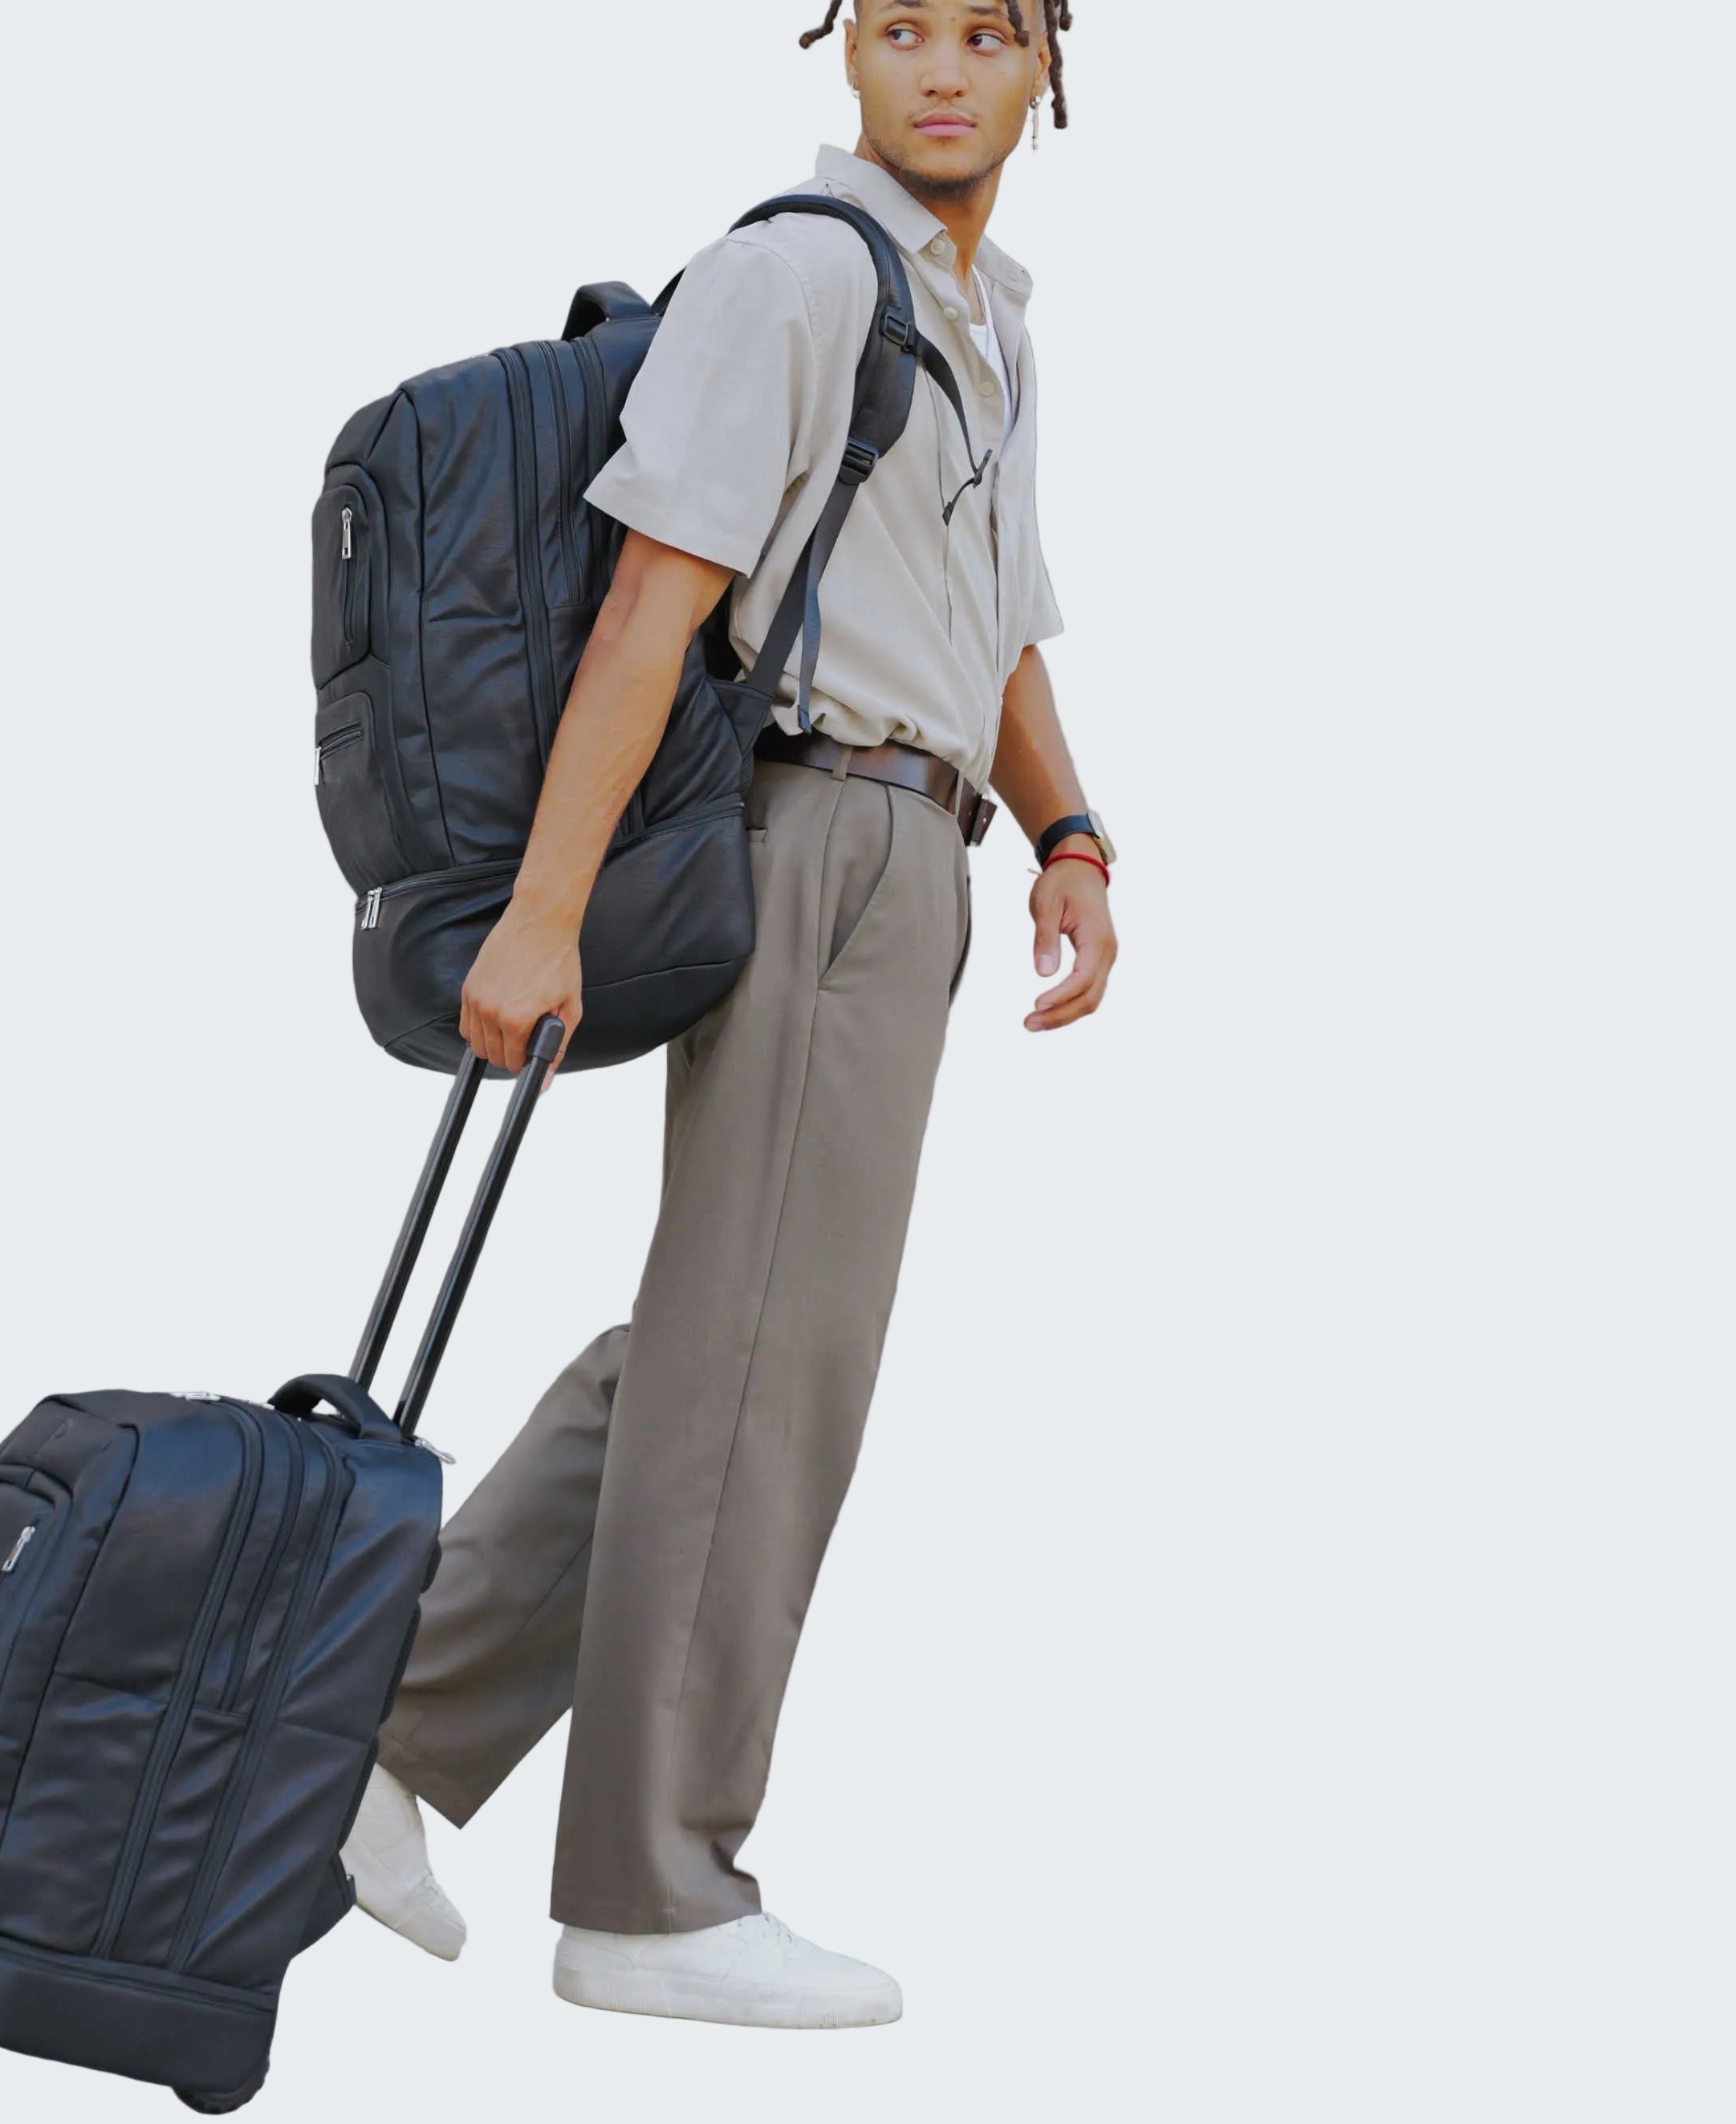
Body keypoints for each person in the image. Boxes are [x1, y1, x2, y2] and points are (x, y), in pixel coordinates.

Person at [344, 0, 1117, 2029]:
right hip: (820, 840)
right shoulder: (795, 276)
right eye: (899, 29)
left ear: (1053, 67)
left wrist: (1072, 836)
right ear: (842, 54)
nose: (942, 70)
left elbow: (1005, 621)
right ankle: (653, 1895)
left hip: (919, 847)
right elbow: (649, 602)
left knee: (722, 1342)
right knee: (767, 1359)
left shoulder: (991, 317)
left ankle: (374, 1732)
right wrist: (540, 913)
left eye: (987, 34)